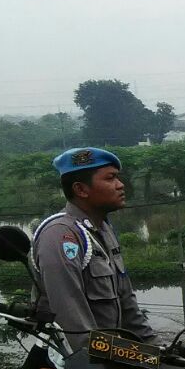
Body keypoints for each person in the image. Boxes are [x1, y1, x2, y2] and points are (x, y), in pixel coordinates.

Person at [32, 147, 155, 351]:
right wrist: (135, 363)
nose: (120, 185)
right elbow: (75, 327)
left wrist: (155, 350)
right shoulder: (61, 236)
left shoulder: (103, 230)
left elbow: (127, 304)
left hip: (109, 359)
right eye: (110, 179)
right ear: (81, 190)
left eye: (118, 178)